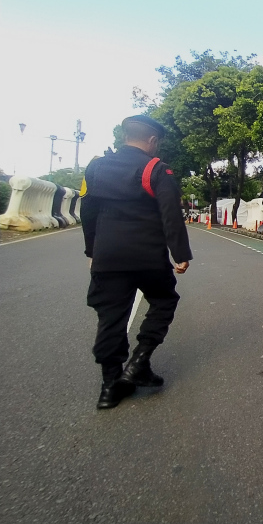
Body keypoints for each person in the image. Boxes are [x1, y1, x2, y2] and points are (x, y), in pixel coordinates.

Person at [80, 115, 192, 409]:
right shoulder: (157, 169)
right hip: (148, 257)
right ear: (152, 140)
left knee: (110, 318)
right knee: (164, 300)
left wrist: (92, 251)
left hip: (107, 257)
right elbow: (171, 215)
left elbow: (88, 211)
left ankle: (109, 387)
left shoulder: (95, 167)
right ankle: (138, 363)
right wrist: (179, 255)